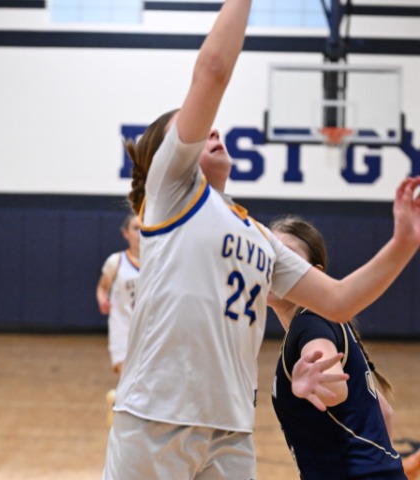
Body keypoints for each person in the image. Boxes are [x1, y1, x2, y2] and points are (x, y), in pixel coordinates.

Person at [102, 0, 420, 477]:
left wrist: (404, 244)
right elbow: (212, 71)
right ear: (166, 157)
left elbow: (338, 301)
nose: (210, 128)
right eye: (191, 128)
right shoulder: (171, 193)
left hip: (230, 429)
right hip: (157, 413)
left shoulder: (259, 236)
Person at [268, 216, 407, 479]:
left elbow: (335, 387)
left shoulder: (309, 324)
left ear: (315, 274)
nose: (273, 265)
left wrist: (319, 383)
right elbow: (384, 413)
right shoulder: (320, 320)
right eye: (269, 253)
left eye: (286, 257)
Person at [96, 212, 140, 425]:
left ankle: (121, 405)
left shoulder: (159, 262)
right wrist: (102, 300)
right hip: (122, 327)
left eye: (145, 228)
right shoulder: (116, 261)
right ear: (125, 233)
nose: (141, 233)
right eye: (136, 228)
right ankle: (122, 411)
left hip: (148, 329)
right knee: (128, 378)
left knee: (143, 383)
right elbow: (103, 287)